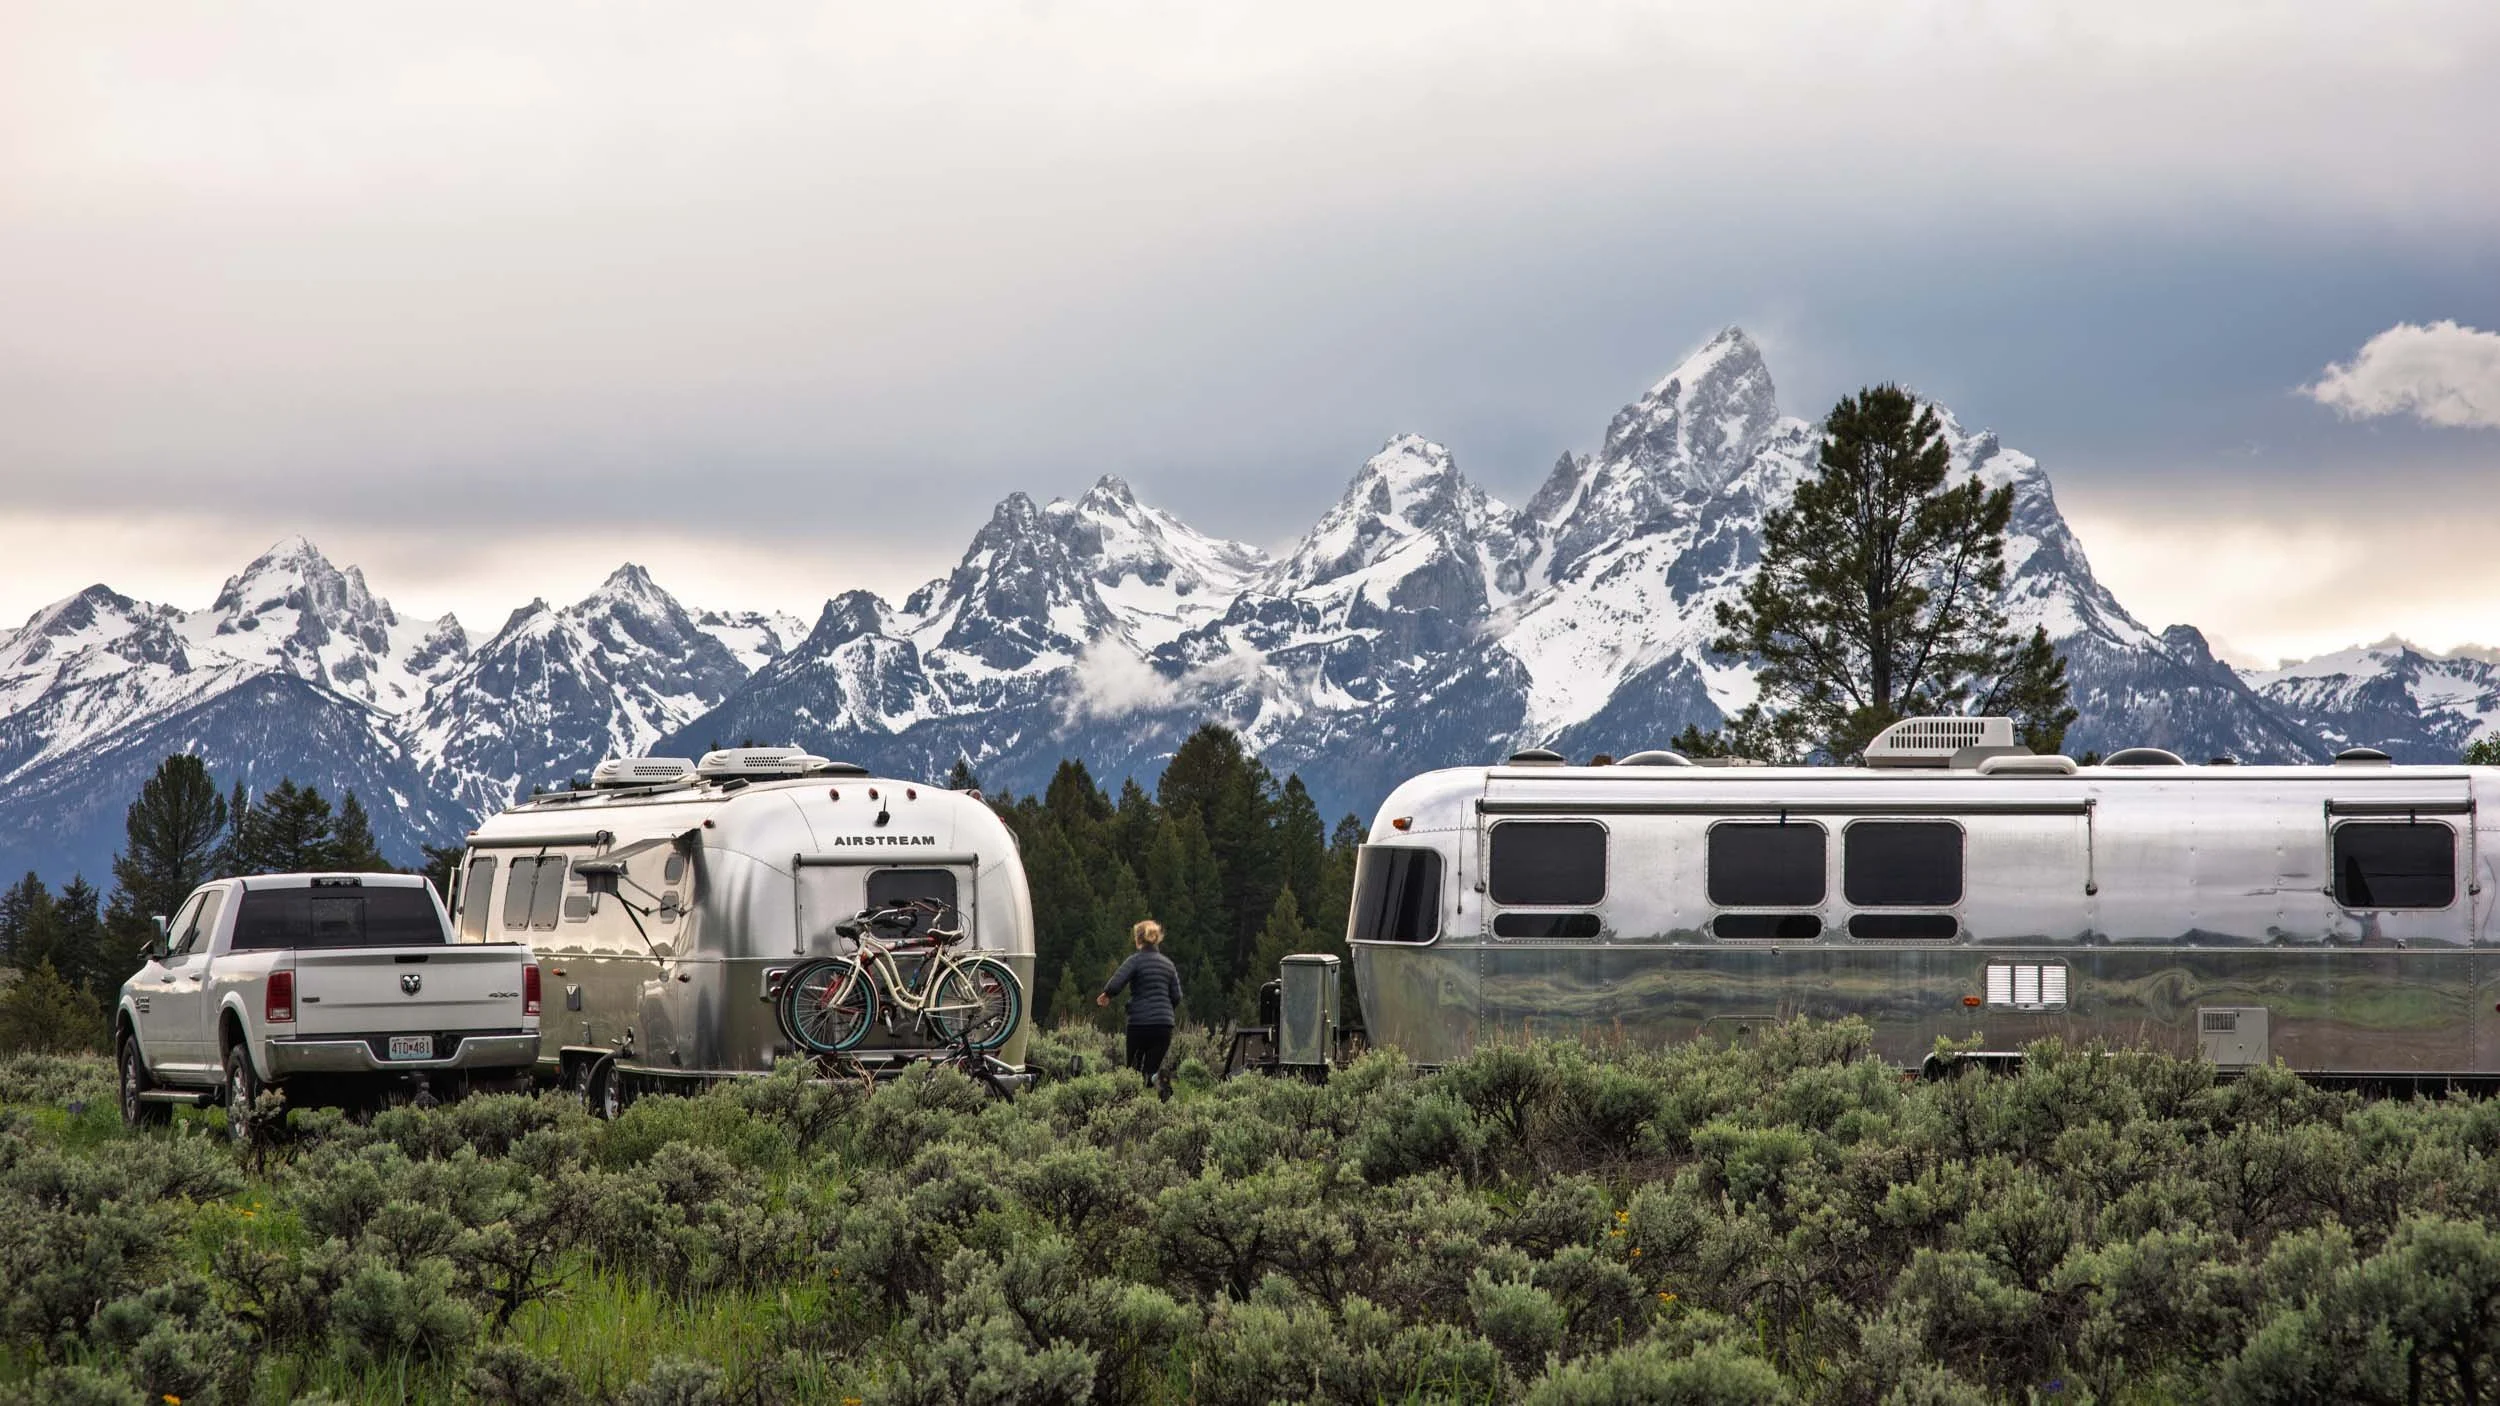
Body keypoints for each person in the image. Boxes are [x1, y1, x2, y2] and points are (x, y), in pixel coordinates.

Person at [1097, 919, 1183, 1088]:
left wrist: (1107, 994)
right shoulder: (1168, 965)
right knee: (1151, 1069)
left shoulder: (1135, 960)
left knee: (1133, 1071)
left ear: (1138, 939)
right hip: (1164, 1026)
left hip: (1139, 1024)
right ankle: (1157, 1080)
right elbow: (1177, 996)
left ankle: (1131, 1105)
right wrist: (1164, 1010)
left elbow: (1117, 982)